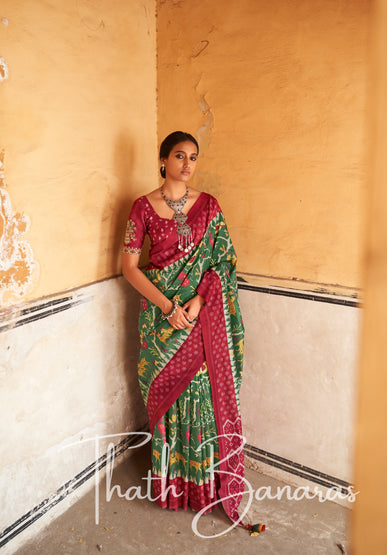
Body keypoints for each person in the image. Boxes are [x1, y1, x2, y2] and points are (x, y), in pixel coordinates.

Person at [122, 131, 264, 535]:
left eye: (193, 157)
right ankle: (172, 488)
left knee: (201, 399)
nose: (187, 164)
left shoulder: (210, 207)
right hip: (162, 325)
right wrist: (168, 308)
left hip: (201, 323)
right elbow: (130, 267)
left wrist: (198, 303)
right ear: (163, 160)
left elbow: (223, 262)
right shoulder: (141, 208)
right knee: (169, 405)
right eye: (179, 156)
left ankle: (203, 491)